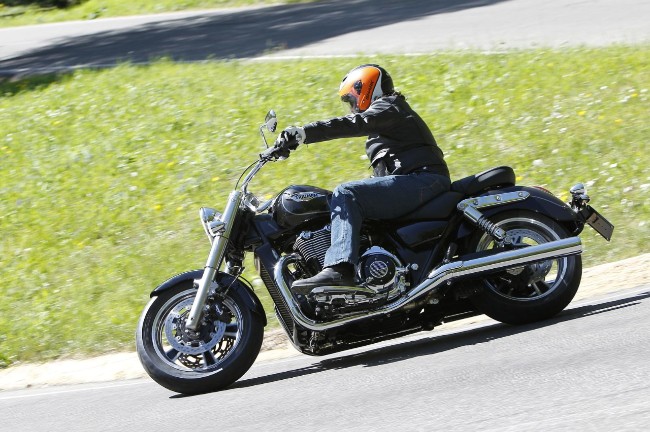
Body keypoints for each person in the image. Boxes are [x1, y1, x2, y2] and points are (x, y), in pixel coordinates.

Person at [275, 64, 451, 291]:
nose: (352, 108)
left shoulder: (390, 105)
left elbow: (354, 123)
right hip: (416, 182)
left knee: (347, 192)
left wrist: (304, 133)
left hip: (424, 179)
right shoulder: (387, 118)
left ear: (365, 89)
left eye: (351, 100)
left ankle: (339, 268)